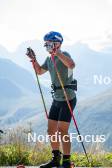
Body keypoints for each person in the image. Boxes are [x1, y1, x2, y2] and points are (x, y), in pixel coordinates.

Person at [26, 31, 77, 168]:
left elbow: (71, 65)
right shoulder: (49, 59)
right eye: (46, 44)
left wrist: (57, 53)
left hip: (68, 98)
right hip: (57, 99)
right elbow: (39, 71)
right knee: (51, 130)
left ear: (57, 43)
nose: (47, 46)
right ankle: (56, 158)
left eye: (49, 43)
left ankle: (66, 161)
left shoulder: (64, 55)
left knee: (62, 130)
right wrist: (33, 59)